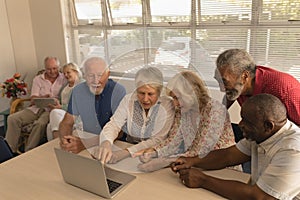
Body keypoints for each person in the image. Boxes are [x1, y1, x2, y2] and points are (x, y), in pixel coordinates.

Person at [171, 94, 300, 200]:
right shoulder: (261, 134)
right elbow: (228, 156)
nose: (240, 124)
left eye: (247, 121)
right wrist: (193, 161)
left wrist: (202, 180)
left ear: (268, 126)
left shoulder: (293, 149)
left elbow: (259, 197)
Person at [214, 48, 300, 173]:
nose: (221, 88)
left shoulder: (284, 89)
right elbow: (229, 96)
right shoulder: (239, 85)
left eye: (224, 82)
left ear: (244, 76)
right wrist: (219, 113)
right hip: (259, 142)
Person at [135, 71, 237, 172]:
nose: (175, 104)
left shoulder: (215, 111)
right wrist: (154, 152)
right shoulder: (183, 109)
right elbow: (173, 141)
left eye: (177, 98)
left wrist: (163, 162)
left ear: (191, 94)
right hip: (196, 166)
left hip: (225, 168)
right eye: (173, 98)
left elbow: (201, 152)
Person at [95, 66, 175, 164]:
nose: (145, 99)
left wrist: (126, 152)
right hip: (127, 147)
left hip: (152, 154)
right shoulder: (128, 100)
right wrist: (106, 142)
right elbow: (114, 124)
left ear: (159, 92)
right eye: (141, 93)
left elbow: (157, 140)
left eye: (150, 94)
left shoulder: (167, 105)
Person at [58, 57, 126, 154]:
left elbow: (119, 132)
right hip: (88, 143)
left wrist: (84, 144)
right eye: (90, 75)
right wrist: (65, 141)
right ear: (84, 76)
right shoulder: (78, 91)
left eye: (100, 75)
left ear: (107, 75)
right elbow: (66, 123)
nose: (96, 80)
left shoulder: (118, 91)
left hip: (115, 144)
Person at [5, 56, 66, 154]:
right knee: (12, 118)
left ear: (58, 67)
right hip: (36, 107)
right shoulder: (38, 79)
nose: (52, 71)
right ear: (45, 68)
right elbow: (33, 99)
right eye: (49, 69)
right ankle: (8, 152)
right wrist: (44, 97)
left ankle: (28, 151)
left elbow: (68, 94)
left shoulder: (64, 78)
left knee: (40, 124)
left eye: (54, 68)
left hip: (51, 110)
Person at [47, 62, 82, 140]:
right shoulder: (65, 87)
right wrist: (56, 102)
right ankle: (57, 144)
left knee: (54, 112)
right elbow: (61, 100)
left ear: (75, 72)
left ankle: (58, 142)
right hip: (64, 112)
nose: (66, 75)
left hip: (74, 114)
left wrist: (61, 107)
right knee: (49, 126)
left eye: (68, 72)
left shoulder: (81, 85)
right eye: (64, 73)